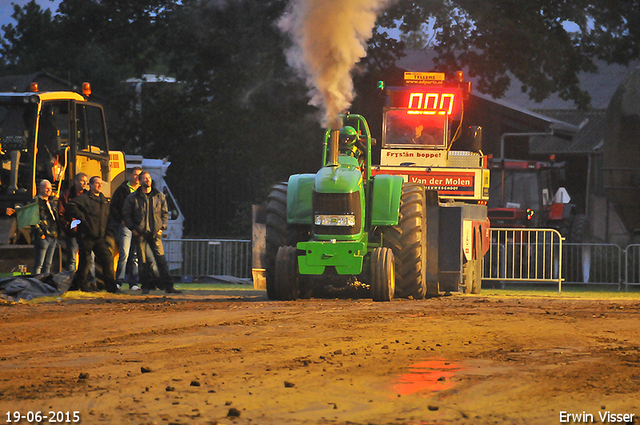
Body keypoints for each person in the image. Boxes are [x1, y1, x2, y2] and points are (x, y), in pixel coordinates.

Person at [123, 171, 180, 294]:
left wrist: (162, 228)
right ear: (140, 180)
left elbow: (165, 213)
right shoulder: (133, 198)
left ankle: (169, 287)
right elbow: (126, 214)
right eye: (145, 178)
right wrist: (133, 229)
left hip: (155, 233)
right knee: (142, 261)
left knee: (161, 260)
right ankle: (146, 286)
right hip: (141, 233)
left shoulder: (159, 196)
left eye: (149, 178)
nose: (148, 180)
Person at [67, 176, 119, 293]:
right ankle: (82, 285)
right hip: (86, 236)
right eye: (96, 183)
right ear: (90, 185)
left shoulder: (104, 201)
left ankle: (111, 287)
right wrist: (82, 218)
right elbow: (71, 205)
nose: (99, 185)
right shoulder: (84, 198)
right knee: (85, 262)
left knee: (107, 258)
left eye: (101, 183)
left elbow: (109, 217)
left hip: (99, 237)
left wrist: (108, 232)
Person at [109, 166, 142, 290]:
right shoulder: (122, 190)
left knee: (135, 256)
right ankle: (119, 281)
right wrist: (121, 219)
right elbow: (114, 206)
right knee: (124, 254)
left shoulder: (144, 190)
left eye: (140, 175)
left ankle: (133, 283)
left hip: (139, 227)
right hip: (126, 226)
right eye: (135, 174)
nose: (137, 177)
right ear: (130, 176)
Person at [58, 172, 88, 273]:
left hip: (86, 232)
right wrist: (67, 226)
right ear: (75, 181)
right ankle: (71, 280)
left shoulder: (88, 195)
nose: (84, 183)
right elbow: (61, 213)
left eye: (86, 181)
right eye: (82, 181)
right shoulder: (66, 195)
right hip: (72, 232)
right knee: (72, 258)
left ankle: (90, 282)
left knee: (89, 259)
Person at [32, 179, 58, 275]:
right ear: (40, 189)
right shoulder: (36, 201)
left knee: (48, 264)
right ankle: (35, 284)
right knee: (39, 264)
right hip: (43, 237)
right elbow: (33, 219)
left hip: (53, 235)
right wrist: (40, 233)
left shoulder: (51, 202)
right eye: (46, 188)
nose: (49, 190)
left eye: (50, 188)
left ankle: (44, 285)